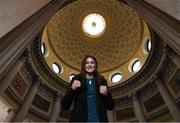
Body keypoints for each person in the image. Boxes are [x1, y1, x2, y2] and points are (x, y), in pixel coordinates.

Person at [61, 55, 115, 122]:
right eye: (87, 63)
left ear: (95, 65)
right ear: (84, 65)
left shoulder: (102, 81)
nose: (89, 65)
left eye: (92, 62)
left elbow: (111, 106)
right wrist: (72, 89)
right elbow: (65, 105)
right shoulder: (76, 79)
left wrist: (107, 93)